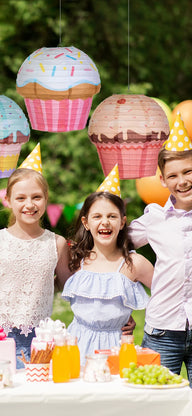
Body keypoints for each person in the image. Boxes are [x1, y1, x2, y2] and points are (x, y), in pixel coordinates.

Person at [0, 144, 71, 368]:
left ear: (46, 199)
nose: (29, 204)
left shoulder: (57, 243)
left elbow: (67, 286)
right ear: (8, 200)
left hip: (40, 339)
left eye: (36, 197)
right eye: (21, 198)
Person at [62, 165, 153, 364]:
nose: (105, 222)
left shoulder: (134, 264)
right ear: (86, 223)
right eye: (97, 216)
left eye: (112, 216)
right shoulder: (76, 260)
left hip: (116, 347)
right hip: (76, 344)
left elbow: (166, 295)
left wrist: (134, 321)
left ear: (122, 222)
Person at [128, 113, 192, 384]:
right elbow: (113, 245)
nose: (183, 181)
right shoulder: (154, 217)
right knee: (155, 402)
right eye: (173, 175)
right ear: (163, 181)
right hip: (163, 331)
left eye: (189, 171)